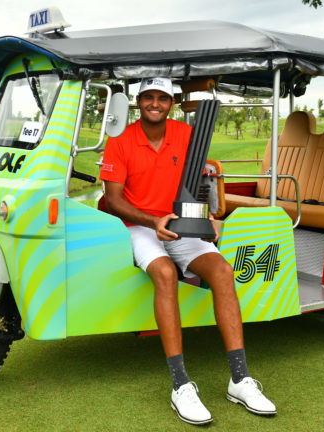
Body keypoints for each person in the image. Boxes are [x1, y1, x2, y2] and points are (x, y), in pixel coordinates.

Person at [100, 77, 276, 425]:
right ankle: (181, 385)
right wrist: (154, 222)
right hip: (139, 227)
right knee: (165, 273)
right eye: (148, 97)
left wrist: (206, 216)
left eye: (162, 98)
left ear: (172, 102)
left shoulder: (185, 133)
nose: (155, 103)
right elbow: (114, 200)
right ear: (138, 102)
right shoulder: (119, 140)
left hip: (179, 223)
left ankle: (239, 379)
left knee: (223, 272)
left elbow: (197, 183)